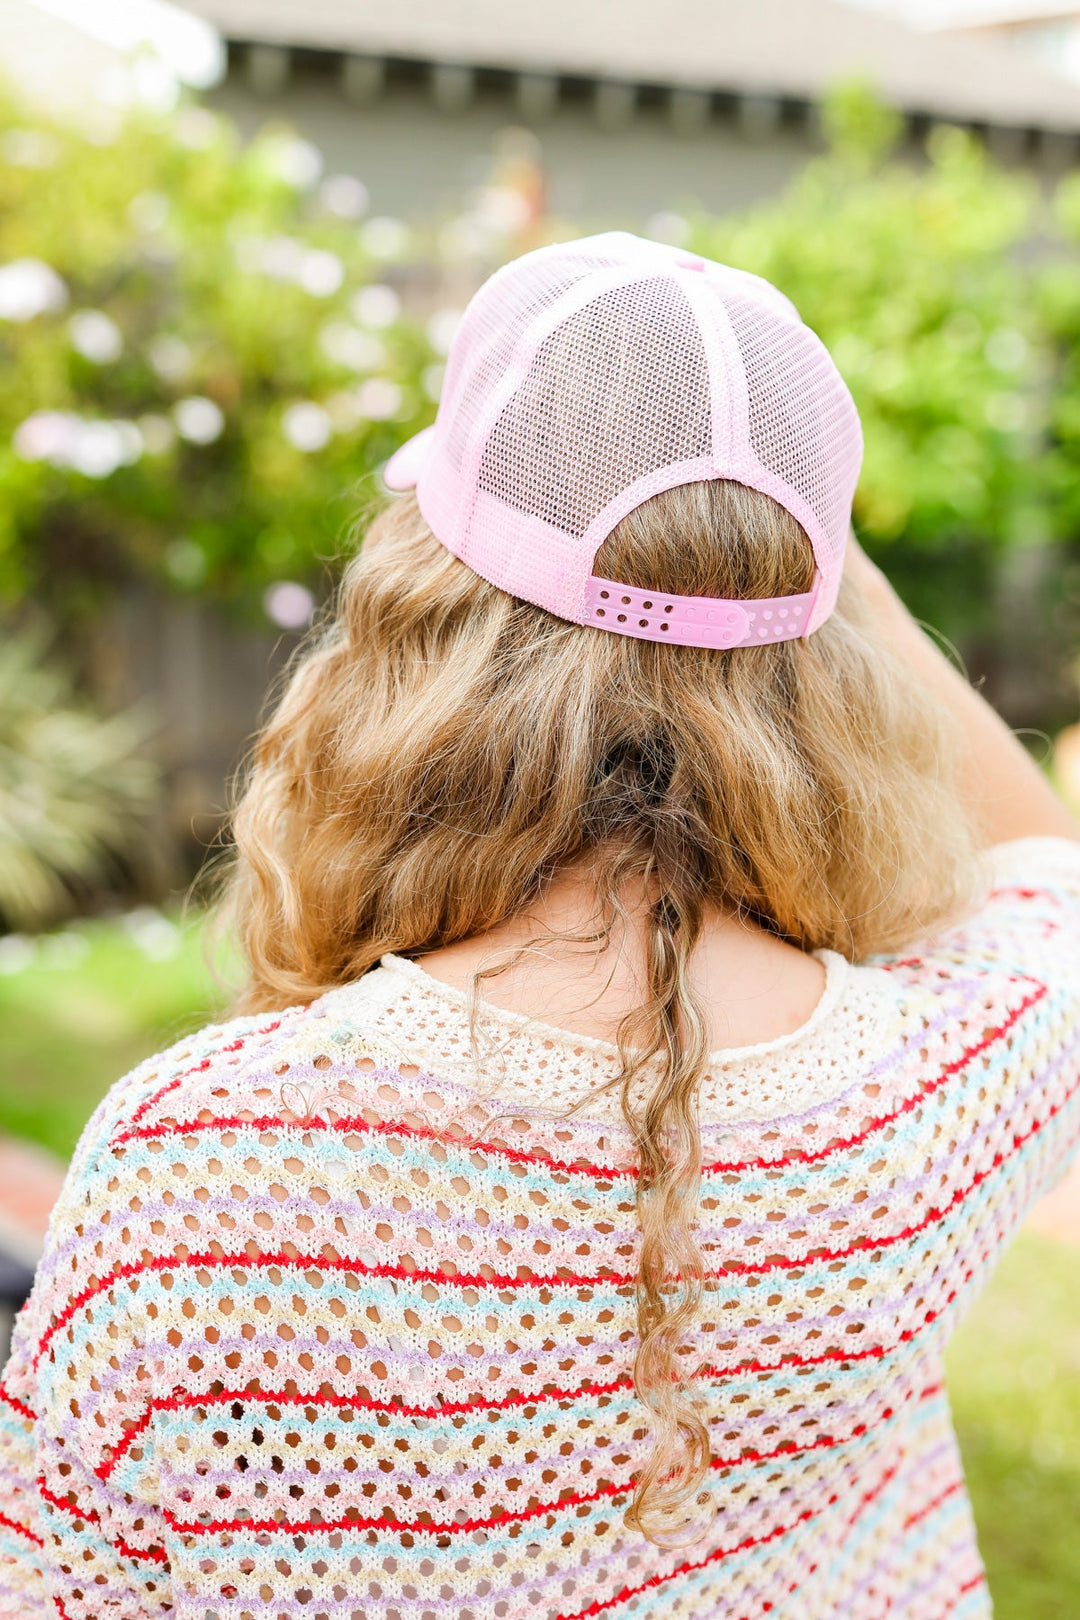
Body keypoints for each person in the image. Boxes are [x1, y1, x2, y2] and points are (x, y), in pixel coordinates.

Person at [1, 233, 1077, 1620]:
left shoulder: (193, 1164)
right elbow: (1048, 866)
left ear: (421, 605)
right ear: (817, 652)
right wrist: (819, 561)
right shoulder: (925, 1093)